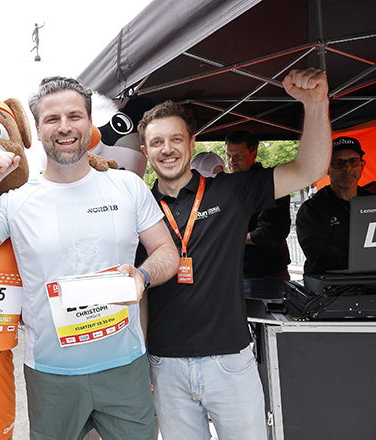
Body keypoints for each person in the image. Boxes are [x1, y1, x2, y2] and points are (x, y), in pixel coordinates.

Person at [0, 76, 179, 440]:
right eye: (52, 119)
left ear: (89, 122)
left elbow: (166, 252)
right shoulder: (16, 200)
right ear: (38, 129)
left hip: (125, 368)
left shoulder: (126, 186)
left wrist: (142, 277)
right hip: (52, 376)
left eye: (74, 116)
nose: (64, 127)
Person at [137, 67, 331, 439]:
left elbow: (309, 168)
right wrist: (143, 359)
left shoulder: (231, 191)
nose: (167, 149)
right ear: (146, 152)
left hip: (229, 361)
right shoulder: (139, 209)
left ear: (192, 143)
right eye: (157, 142)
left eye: (176, 139)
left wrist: (316, 104)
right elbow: (139, 291)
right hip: (165, 365)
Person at [296, 136, 372, 292]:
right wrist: (358, 265)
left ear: (362, 166)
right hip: (329, 291)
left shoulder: (372, 201)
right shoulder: (311, 209)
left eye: (353, 161)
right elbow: (316, 251)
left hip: (370, 285)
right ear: (326, 169)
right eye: (338, 163)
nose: (347, 168)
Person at [225, 130, 292, 299]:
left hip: (265, 275)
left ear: (253, 154)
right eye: (228, 156)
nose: (232, 162)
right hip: (236, 273)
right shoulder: (229, 184)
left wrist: (233, 236)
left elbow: (270, 233)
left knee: (266, 316)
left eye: (239, 156)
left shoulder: (271, 184)